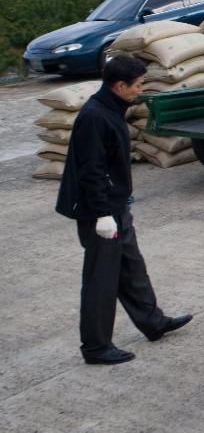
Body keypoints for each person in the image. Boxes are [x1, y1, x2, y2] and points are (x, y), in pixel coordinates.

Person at [55, 54, 192, 365]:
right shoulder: (95, 117)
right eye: (137, 86)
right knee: (101, 278)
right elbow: (91, 170)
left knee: (131, 267)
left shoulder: (111, 108)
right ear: (119, 85)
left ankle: (153, 322)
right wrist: (102, 214)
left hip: (115, 205)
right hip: (98, 211)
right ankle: (95, 347)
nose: (140, 90)